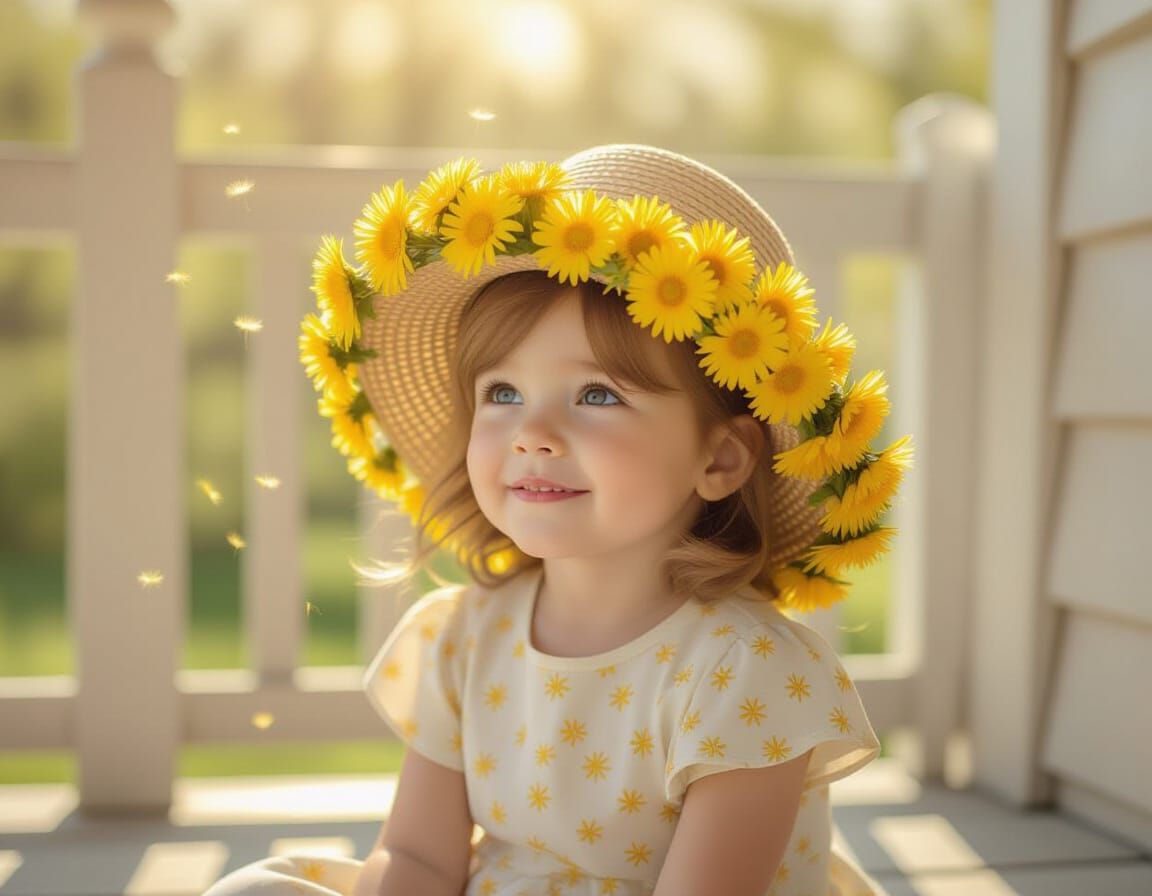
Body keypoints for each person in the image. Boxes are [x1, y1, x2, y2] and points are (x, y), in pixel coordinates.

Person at [203, 143, 912, 896]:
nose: (531, 432)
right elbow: (418, 859)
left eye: (597, 395)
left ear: (722, 459)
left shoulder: (746, 672)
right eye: (502, 392)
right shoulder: (465, 636)